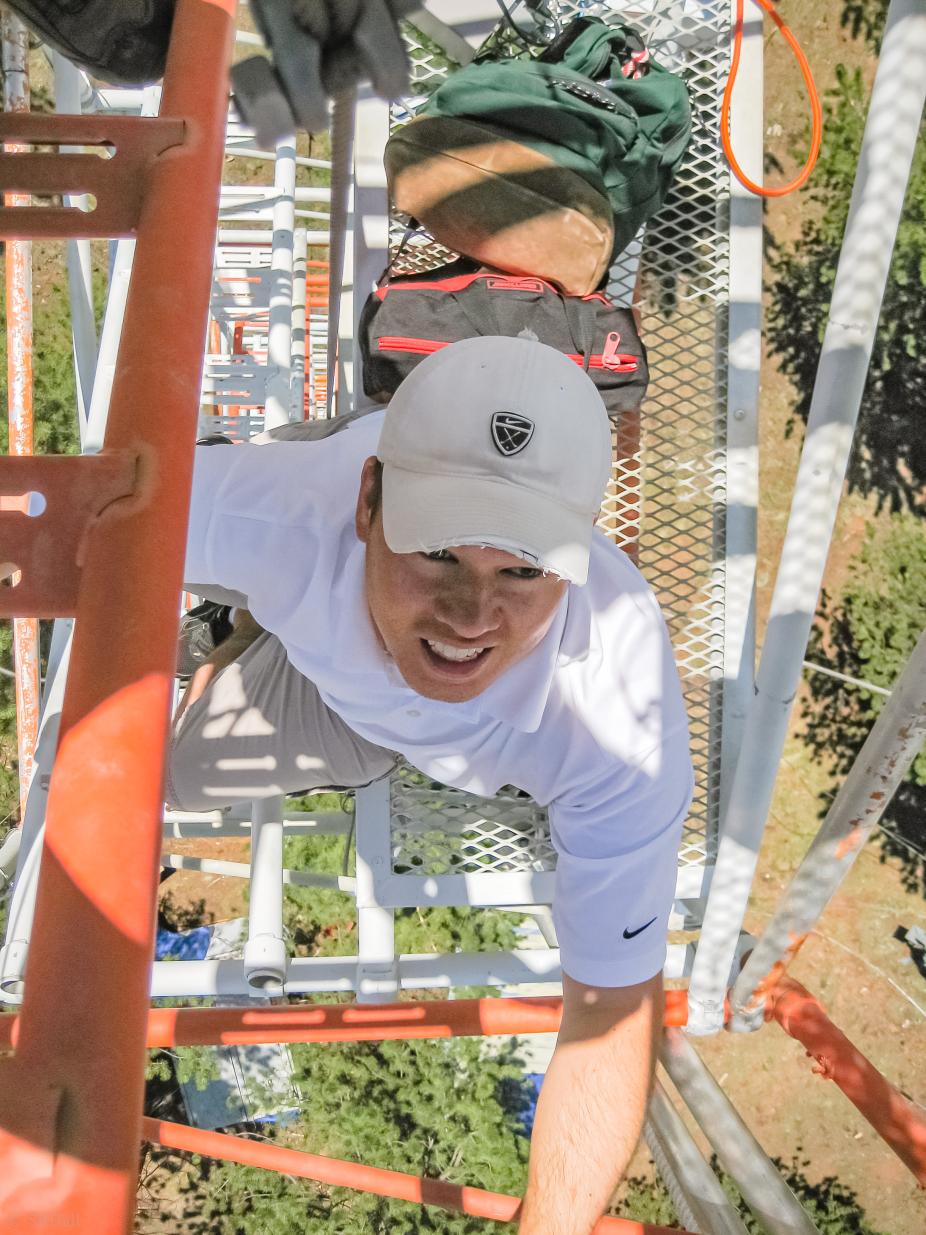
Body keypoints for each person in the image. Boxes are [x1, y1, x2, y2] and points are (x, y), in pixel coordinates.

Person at [171, 335, 693, 1235]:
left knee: (178, 770)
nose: (472, 615)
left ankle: (250, 626)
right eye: (440, 552)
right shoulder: (292, 513)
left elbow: (610, 1009)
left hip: (356, 707)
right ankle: (254, 603)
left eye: (523, 571)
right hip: (312, 554)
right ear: (370, 502)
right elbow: (58, 515)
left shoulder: (618, 720)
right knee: (240, 588)